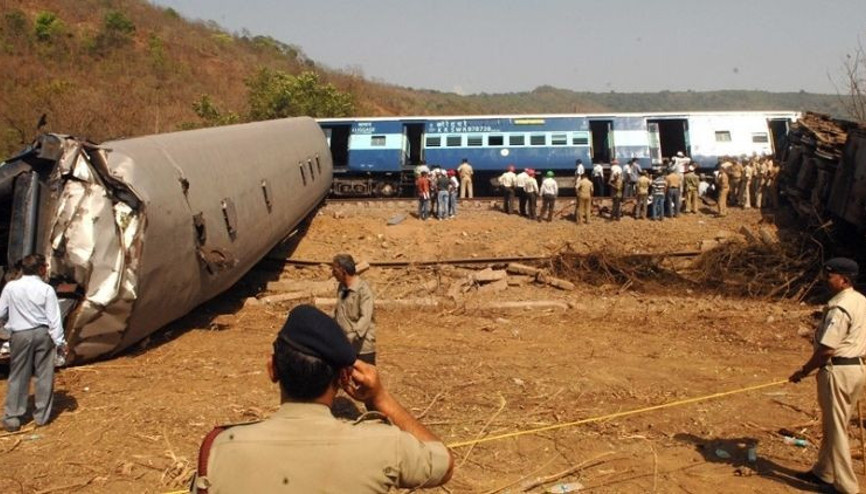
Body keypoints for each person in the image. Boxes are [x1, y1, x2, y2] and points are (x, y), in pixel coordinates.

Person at [192, 305, 454, 493]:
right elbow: (443, 464)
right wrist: (381, 398)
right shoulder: (384, 444)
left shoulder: (218, 450)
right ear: (342, 379)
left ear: (272, 369)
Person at [789, 258, 866, 494]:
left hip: (838, 371)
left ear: (844, 280)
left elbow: (827, 349)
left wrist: (804, 370)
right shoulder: (860, 300)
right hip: (856, 369)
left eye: (830, 275)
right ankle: (823, 471)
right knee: (835, 423)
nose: (826, 279)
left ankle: (846, 487)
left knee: (836, 429)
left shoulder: (840, 308)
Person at [0, 254, 67, 432]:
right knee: (44, 374)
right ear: (42, 269)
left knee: (18, 374)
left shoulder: (11, 287)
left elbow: (1, 311)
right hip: (43, 333)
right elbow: (54, 319)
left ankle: (13, 417)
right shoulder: (46, 290)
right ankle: (41, 417)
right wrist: (59, 342)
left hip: (20, 334)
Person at [332, 254, 376, 365]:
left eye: (334, 270)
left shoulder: (363, 291)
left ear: (343, 270)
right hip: (345, 347)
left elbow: (365, 318)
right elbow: (340, 311)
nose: (333, 274)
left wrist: (352, 336)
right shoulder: (342, 288)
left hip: (361, 350)